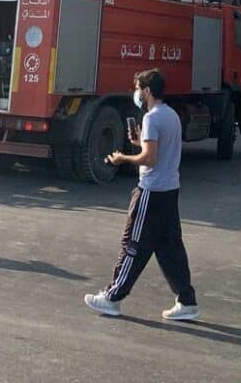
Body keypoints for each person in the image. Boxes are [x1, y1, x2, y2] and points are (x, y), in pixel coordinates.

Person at [84, 68, 198, 321]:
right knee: (170, 248)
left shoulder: (152, 118)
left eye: (137, 88)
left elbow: (150, 158)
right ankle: (187, 300)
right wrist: (139, 143)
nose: (135, 93)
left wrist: (122, 157)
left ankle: (112, 297)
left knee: (132, 244)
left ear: (147, 91)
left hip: (151, 190)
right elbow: (158, 150)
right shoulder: (171, 116)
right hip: (169, 190)